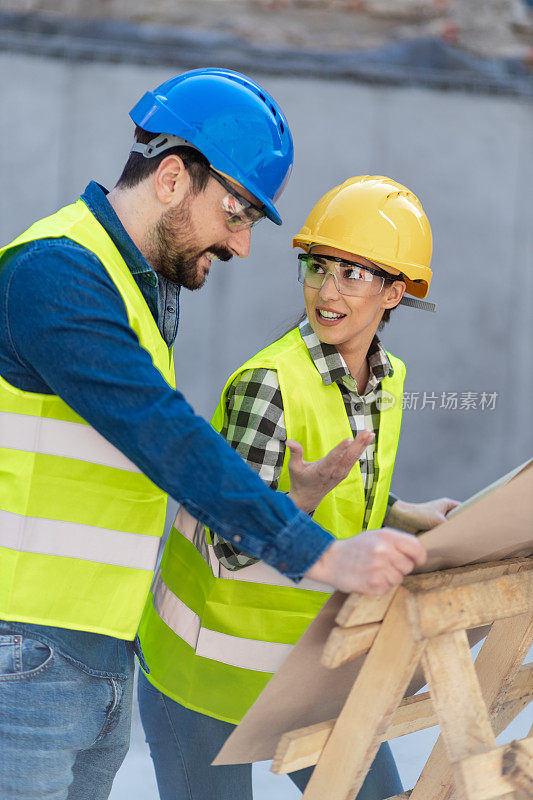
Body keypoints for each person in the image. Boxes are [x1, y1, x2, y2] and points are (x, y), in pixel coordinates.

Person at [0, 69, 427, 800]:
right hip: (27, 651)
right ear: (173, 178)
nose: (242, 245)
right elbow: (165, 436)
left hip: (93, 653)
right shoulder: (57, 272)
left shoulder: (135, 282)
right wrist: (319, 555)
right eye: (239, 214)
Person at [137, 176, 459, 800]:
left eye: (352, 274)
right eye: (317, 267)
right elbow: (227, 543)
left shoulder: (388, 381)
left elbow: (350, 493)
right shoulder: (269, 383)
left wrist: (403, 513)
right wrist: (302, 500)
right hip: (203, 671)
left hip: (309, 668)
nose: (326, 290)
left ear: (396, 292)